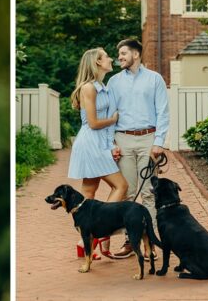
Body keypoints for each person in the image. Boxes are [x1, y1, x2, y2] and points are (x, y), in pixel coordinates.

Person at [106, 39, 170, 259]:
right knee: (128, 193)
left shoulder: (155, 79)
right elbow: (109, 115)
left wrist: (159, 141)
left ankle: (150, 243)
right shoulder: (113, 82)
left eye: (123, 53)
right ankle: (130, 240)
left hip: (148, 139)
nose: (120, 58)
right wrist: (112, 143)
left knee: (148, 193)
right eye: (119, 54)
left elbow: (163, 112)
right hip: (123, 140)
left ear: (136, 54)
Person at [67, 47, 129, 259]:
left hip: (99, 142)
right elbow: (93, 123)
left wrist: (111, 144)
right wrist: (114, 119)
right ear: (97, 63)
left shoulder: (101, 86)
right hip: (91, 143)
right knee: (121, 185)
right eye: (106, 56)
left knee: (89, 193)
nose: (111, 58)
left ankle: (84, 242)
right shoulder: (88, 88)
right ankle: (97, 233)